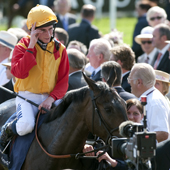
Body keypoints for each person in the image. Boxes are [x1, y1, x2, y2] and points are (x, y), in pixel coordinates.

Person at [0, 4, 69, 153]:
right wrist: (31, 45)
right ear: (32, 30)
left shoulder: (60, 49)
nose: (48, 34)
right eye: (42, 30)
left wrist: (50, 99)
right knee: (26, 126)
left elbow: (63, 81)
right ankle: (7, 129)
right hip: (26, 97)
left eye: (51, 29)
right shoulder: (22, 46)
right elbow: (19, 73)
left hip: (52, 98)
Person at [128, 63, 170, 143]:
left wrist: (137, 144)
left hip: (156, 154)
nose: (129, 82)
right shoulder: (150, 98)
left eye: (130, 79)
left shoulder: (154, 101)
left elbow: (162, 133)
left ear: (139, 82)